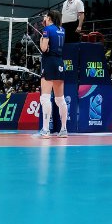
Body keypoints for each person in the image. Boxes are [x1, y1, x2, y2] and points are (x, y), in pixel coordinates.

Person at [37, 10, 70, 138]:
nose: (44, 18)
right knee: (60, 99)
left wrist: (41, 39)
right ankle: (63, 130)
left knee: (45, 98)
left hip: (49, 62)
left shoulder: (47, 29)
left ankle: (45, 130)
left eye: (45, 16)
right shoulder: (62, 29)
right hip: (60, 62)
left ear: (49, 18)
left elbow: (44, 48)